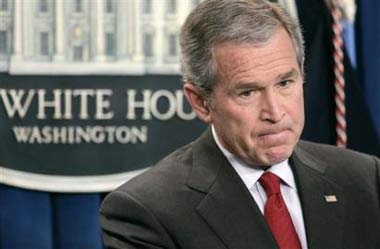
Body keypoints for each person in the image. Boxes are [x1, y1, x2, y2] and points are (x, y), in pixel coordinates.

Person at [100, 0, 380, 248]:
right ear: (200, 101)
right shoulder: (146, 211)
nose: (275, 112)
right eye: (248, 92)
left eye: (285, 83)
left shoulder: (364, 179)